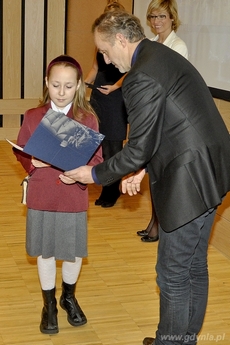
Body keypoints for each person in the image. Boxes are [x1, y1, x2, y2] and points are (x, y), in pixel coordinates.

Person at [59, 11, 230, 345]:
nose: (105, 59)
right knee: (194, 265)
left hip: (190, 180)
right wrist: (144, 167)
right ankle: (183, 340)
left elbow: (138, 147)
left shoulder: (141, 76)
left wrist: (92, 173)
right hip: (213, 168)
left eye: (105, 51)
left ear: (121, 40)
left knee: (172, 273)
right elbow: (173, 125)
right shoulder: (159, 55)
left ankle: (170, 342)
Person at [13, 55, 103, 334]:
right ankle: (49, 304)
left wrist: (80, 171)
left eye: (68, 86)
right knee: (46, 252)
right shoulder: (32, 116)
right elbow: (21, 150)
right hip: (41, 195)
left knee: (73, 254)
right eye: (55, 85)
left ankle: (68, 297)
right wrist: (32, 162)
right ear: (46, 84)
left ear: (78, 86)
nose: (61, 92)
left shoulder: (87, 119)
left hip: (72, 196)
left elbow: (98, 160)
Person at [137, 0, 188, 242]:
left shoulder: (178, 46)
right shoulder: (154, 44)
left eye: (162, 17)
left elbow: (166, 84)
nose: (157, 21)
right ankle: (153, 222)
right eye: (153, 16)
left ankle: (158, 225)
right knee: (154, 174)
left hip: (168, 119)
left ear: (172, 18)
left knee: (161, 176)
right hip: (154, 114)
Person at [84, 0, 128, 208]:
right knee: (99, 145)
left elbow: (130, 71)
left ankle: (112, 191)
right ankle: (104, 185)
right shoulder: (100, 43)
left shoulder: (125, 43)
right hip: (99, 97)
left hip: (115, 98)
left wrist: (116, 87)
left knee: (114, 148)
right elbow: (94, 69)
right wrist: (83, 85)